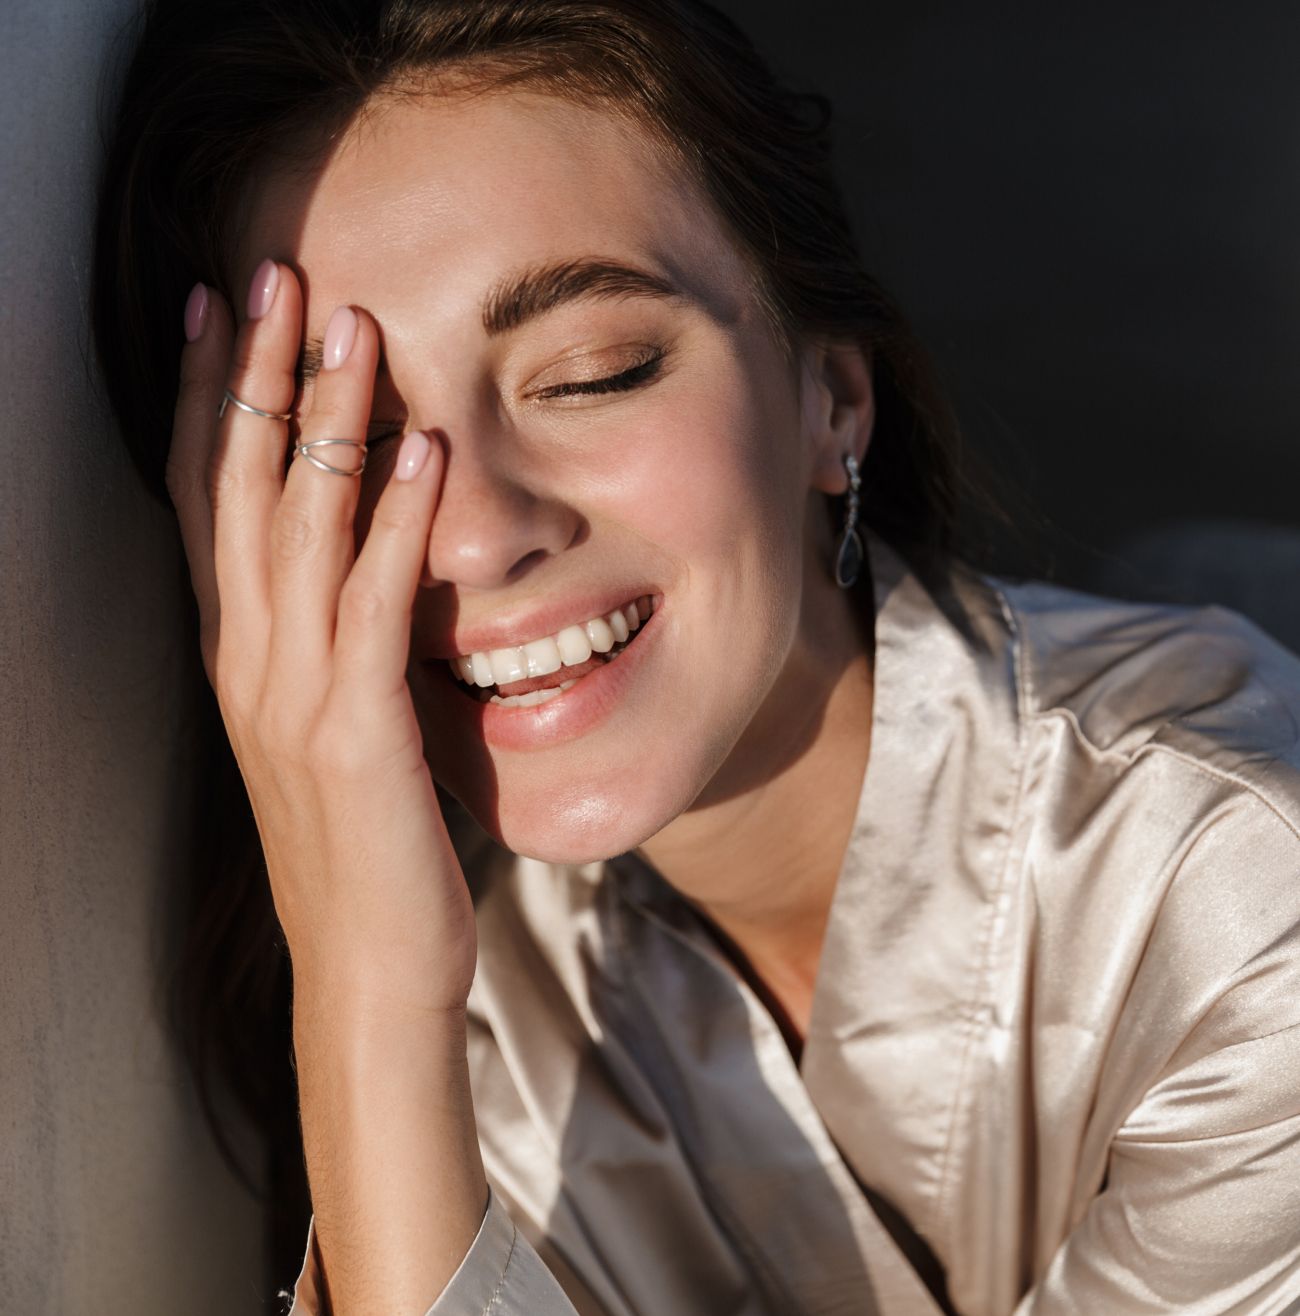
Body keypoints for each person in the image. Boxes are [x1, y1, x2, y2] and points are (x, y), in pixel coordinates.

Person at [91, 1, 1300, 1313]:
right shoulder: (467, 1007)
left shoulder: (1239, 896)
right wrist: (369, 992)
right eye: (357, 446)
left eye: (595, 372)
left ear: (833, 399)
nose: (480, 536)